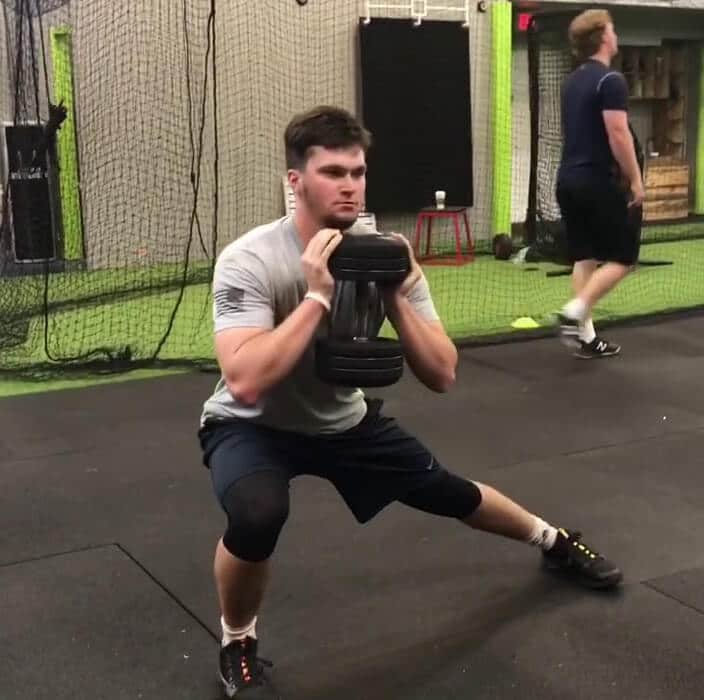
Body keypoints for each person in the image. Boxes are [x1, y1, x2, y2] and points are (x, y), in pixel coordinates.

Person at [198, 105, 623, 698]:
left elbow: (443, 374)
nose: (350, 185)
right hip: (253, 425)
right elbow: (244, 380)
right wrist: (317, 297)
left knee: (451, 492)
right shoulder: (250, 259)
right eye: (333, 172)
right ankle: (237, 640)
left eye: (359, 171)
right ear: (294, 181)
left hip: (343, 421)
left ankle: (554, 541)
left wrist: (395, 297)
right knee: (257, 512)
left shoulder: (386, 257)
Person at [555, 9, 645, 358]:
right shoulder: (611, 81)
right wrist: (636, 181)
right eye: (613, 29)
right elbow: (618, 134)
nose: (616, 34)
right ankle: (574, 312)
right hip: (597, 181)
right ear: (604, 37)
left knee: (586, 257)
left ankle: (586, 337)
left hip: (568, 182)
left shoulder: (571, 81)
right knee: (624, 257)